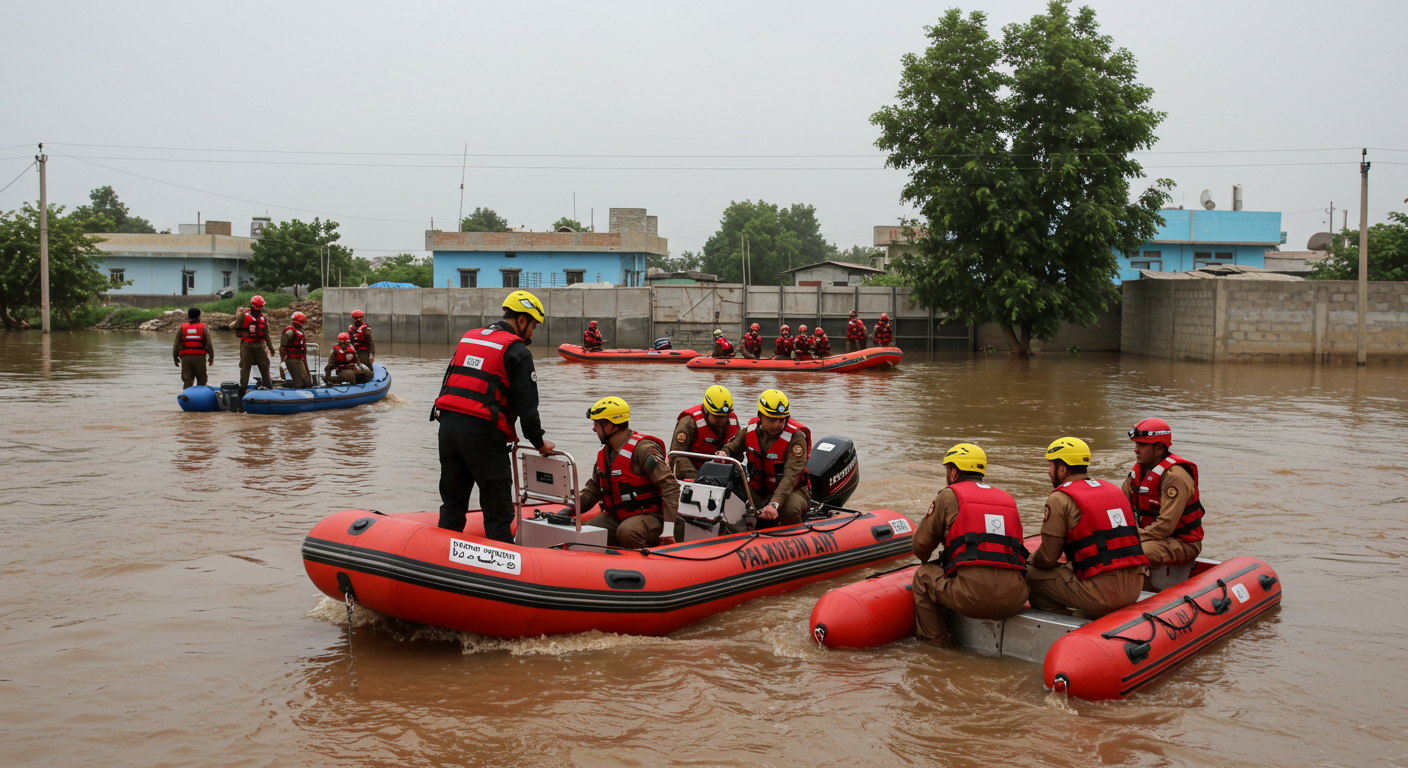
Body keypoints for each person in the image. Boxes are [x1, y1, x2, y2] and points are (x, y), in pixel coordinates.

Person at [433, 290, 555, 543]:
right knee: (498, 510)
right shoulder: (517, 351)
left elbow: (449, 381)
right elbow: (527, 407)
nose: (532, 333)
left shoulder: (469, 337)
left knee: (453, 504)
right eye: (533, 326)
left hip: (448, 429)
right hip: (483, 433)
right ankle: (502, 562)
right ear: (522, 319)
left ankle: (440, 555)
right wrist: (539, 443)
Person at [911, 443, 1029, 646]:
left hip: (972, 598)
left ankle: (934, 646)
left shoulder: (948, 496)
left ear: (953, 472)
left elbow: (921, 548)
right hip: (1015, 598)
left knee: (922, 577)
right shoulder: (1007, 498)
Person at [1026, 437, 1149, 618]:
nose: (1049, 471)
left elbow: (1047, 558)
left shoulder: (1060, 498)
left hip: (1103, 594)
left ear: (1062, 469)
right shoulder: (1112, 489)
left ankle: (1067, 619)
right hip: (1135, 587)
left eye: (1050, 466)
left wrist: (1028, 560)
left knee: (1027, 573)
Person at [578, 396, 681, 549]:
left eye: (596, 424)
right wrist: (568, 509)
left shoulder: (644, 450)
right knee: (584, 533)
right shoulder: (606, 453)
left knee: (627, 532)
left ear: (610, 425)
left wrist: (668, 531)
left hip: (651, 517)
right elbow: (593, 489)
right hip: (617, 516)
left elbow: (671, 487)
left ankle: (646, 560)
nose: (594, 429)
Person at [716, 389, 811, 528]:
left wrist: (774, 504)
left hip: (792, 491)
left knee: (788, 511)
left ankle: (796, 536)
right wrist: (723, 453)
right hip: (758, 491)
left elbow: (791, 477)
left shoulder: (796, 438)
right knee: (729, 502)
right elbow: (732, 447)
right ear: (760, 415)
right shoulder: (750, 431)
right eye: (772, 419)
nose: (776, 425)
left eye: (781, 420)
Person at [1122, 418, 1205, 567]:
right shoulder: (1139, 470)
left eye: (1142, 445)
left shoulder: (1175, 477)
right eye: (1136, 444)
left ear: (1160, 448)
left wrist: (1130, 537)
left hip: (1181, 542)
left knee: (1131, 551)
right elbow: (1120, 504)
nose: (1135, 449)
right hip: (1151, 537)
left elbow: (1165, 526)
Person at [668, 384, 741, 480]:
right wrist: (696, 478)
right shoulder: (689, 423)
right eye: (717, 417)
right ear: (707, 411)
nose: (722, 420)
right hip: (692, 473)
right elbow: (677, 456)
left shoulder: (732, 421)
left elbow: (738, 451)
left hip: (722, 473)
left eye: (725, 416)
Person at [229, 295, 275, 398]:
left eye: (260, 307)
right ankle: (242, 391)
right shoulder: (244, 316)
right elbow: (232, 326)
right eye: (258, 307)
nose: (259, 309)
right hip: (247, 346)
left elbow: (266, 334)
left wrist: (271, 348)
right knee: (245, 369)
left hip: (259, 346)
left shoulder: (263, 318)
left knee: (265, 366)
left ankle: (269, 390)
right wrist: (238, 317)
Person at [172, 307, 214, 388]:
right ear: (199, 316)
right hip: (200, 357)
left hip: (186, 357)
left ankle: (187, 394)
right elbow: (208, 344)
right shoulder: (203, 328)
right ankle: (201, 394)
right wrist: (211, 358)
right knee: (202, 380)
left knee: (187, 380)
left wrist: (175, 358)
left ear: (188, 316)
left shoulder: (182, 328)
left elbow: (176, 344)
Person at [280, 311, 313, 388]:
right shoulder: (289, 332)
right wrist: (282, 361)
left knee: (306, 381)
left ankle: (306, 386)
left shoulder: (299, 332)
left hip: (299, 359)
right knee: (300, 381)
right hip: (291, 359)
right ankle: (298, 388)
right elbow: (282, 348)